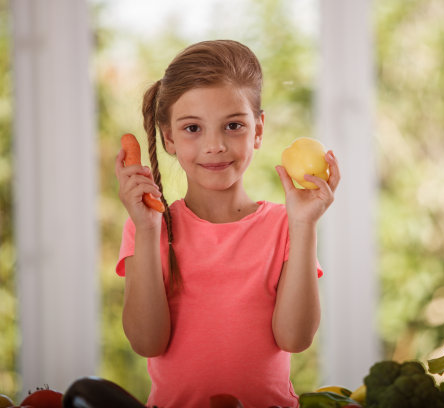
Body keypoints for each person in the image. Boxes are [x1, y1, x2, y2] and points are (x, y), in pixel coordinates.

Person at [114, 39, 340, 408]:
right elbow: (146, 342)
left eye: (233, 125)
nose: (215, 145)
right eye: (193, 129)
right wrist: (148, 229)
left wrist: (304, 226)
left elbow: (295, 339)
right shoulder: (148, 225)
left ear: (259, 129)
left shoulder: (286, 224)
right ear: (168, 137)